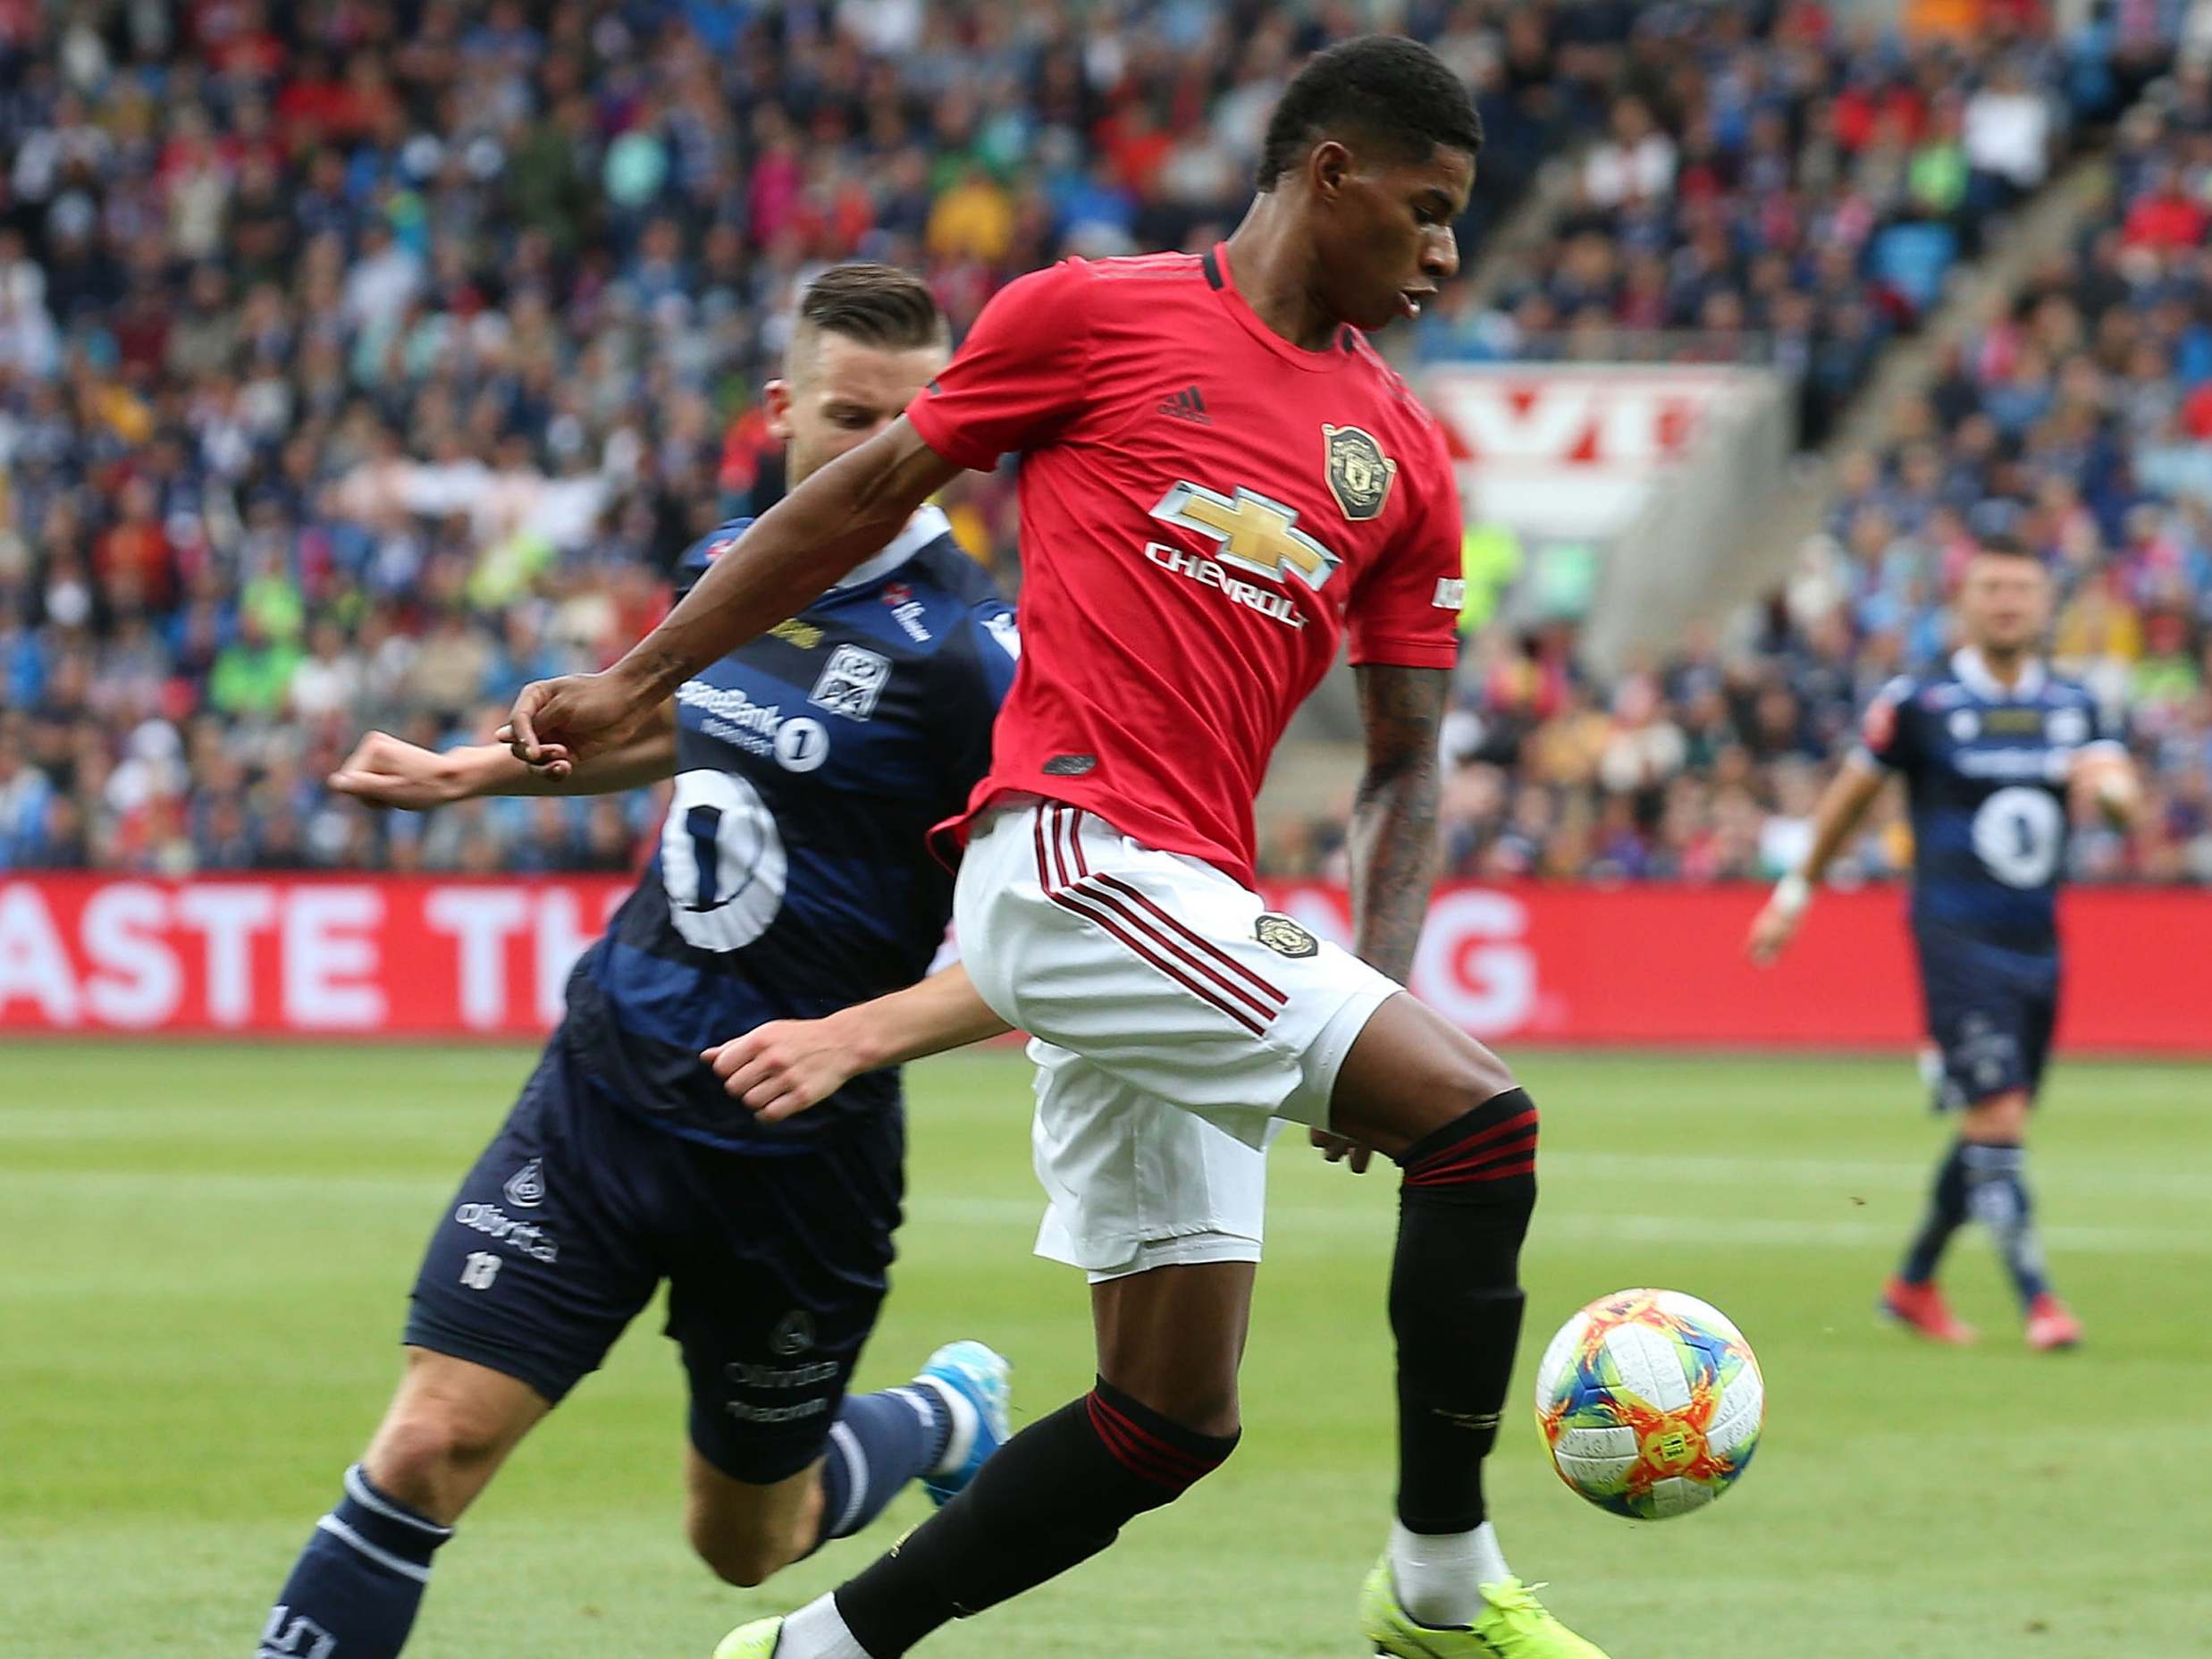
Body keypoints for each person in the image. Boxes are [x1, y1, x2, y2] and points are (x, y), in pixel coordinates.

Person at [504, 37, 1606, 1659]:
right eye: (1429, 209)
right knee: (1486, 1126)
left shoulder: (1401, 457)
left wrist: (1377, 979)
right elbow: (859, 497)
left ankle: (807, 1651)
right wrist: (641, 674)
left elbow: (1405, 761)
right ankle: (1439, 1585)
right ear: (1330, 174)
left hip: (1186, 898)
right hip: (1071, 858)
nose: (1447, 251)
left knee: (1169, 1418)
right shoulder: (1090, 315)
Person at [252, 265, 1022, 1659]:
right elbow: (686, 724)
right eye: (852, 417)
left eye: (923, 427)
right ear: (782, 409)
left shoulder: (973, 661)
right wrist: (470, 778)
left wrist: (860, 1035)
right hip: (609, 1082)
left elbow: (1057, 938)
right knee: (430, 1442)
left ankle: (938, 1416)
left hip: (796, 1154)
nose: (887, 455)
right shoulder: (727, 565)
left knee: (745, 1543)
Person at [1747, 537, 2140, 1351]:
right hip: (1953, 937)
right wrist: (1794, 895)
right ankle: (2039, 1301)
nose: (2006, 602)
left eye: (2021, 588)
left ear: (2044, 604)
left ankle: (1912, 1284)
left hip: (2037, 942)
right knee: (1997, 1113)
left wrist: (2114, 804)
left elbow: (2117, 790)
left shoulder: (2073, 703)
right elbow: (1850, 800)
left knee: (1992, 1125)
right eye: (1992, 587)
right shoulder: (1919, 703)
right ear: (1963, 601)